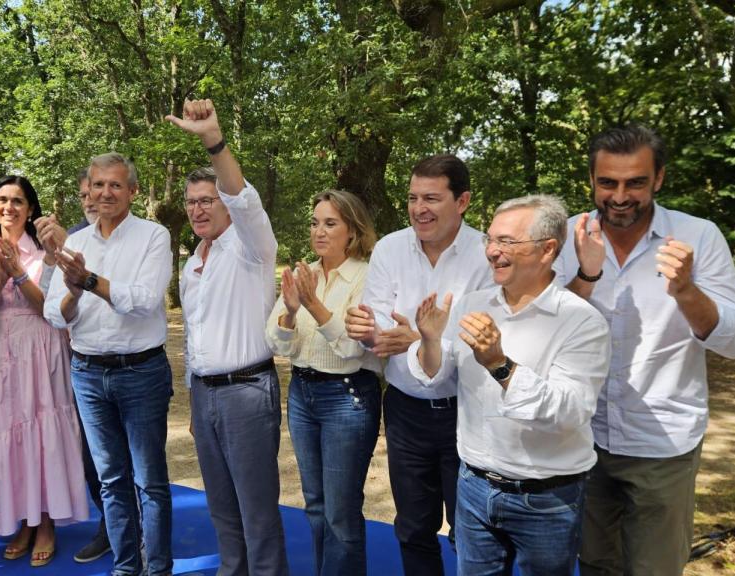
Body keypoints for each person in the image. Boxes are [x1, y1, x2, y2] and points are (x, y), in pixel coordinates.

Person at [555, 125, 735, 576]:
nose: (619, 196)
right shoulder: (567, 236)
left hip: (662, 442)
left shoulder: (698, 237)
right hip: (581, 437)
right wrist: (585, 276)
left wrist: (686, 291)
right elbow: (543, 327)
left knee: (655, 568)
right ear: (592, 180)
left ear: (659, 179)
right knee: (593, 564)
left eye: (635, 183)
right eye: (608, 182)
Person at [410, 195, 611, 574]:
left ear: (547, 249)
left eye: (506, 241)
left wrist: (500, 365)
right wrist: (431, 340)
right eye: (490, 239)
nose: (492, 251)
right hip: (472, 486)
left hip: (547, 499)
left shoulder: (581, 321)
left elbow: (570, 412)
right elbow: (435, 374)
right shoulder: (472, 304)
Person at [345, 154, 493, 575]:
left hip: (469, 411)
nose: (418, 208)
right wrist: (365, 329)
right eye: (413, 198)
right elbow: (377, 322)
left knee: (471, 533)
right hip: (405, 411)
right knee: (412, 528)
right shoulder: (390, 248)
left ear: (462, 201)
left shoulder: (487, 253)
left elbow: (484, 340)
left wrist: (419, 341)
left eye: (431, 198)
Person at [166, 99, 288, 576]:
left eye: (207, 200)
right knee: (221, 509)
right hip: (206, 395)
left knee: (257, 513)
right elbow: (194, 339)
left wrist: (213, 141)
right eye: (191, 202)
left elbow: (243, 198)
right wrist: (195, 401)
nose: (197, 209)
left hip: (247, 393)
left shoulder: (251, 246)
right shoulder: (191, 263)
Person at [44, 153, 174, 576]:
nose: (105, 193)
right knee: (110, 479)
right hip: (87, 373)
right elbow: (54, 314)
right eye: (98, 185)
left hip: (141, 372)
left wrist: (87, 280)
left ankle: (158, 568)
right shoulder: (75, 244)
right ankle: (125, 567)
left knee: (149, 480)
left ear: (132, 191)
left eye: (115, 185)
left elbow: (144, 301)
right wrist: (73, 292)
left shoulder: (154, 236)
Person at [0, 175, 89, 566]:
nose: (9, 207)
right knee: (6, 433)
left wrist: (19, 274)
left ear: (31, 208)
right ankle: (22, 520)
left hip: (41, 347)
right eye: (2, 199)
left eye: (18, 201)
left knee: (41, 434)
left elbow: (49, 309)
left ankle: (46, 523)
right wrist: (0, 278)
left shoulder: (45, 252)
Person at [264, 189, 380, 575]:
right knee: (315, 506)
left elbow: (352, 348)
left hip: (347, 397)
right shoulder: (304, 274)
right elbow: (278, 344)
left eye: (330, 223)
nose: (319, 231)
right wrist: (290, 311)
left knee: (340, 512)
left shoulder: (367, 276)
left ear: (353, 231)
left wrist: (312, 304)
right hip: (302, 393)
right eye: (315, 223)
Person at [33, 170, 113, 564]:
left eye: (97, 191)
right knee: (92, 457)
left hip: (128, 366)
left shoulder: (137, 236)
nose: (91, 200)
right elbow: (48, 301)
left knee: (135, 460)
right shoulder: (73, 238)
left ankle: (142, 534)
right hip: (78, 366)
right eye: (84, 194)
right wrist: (56, 254)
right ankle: (111, 527)